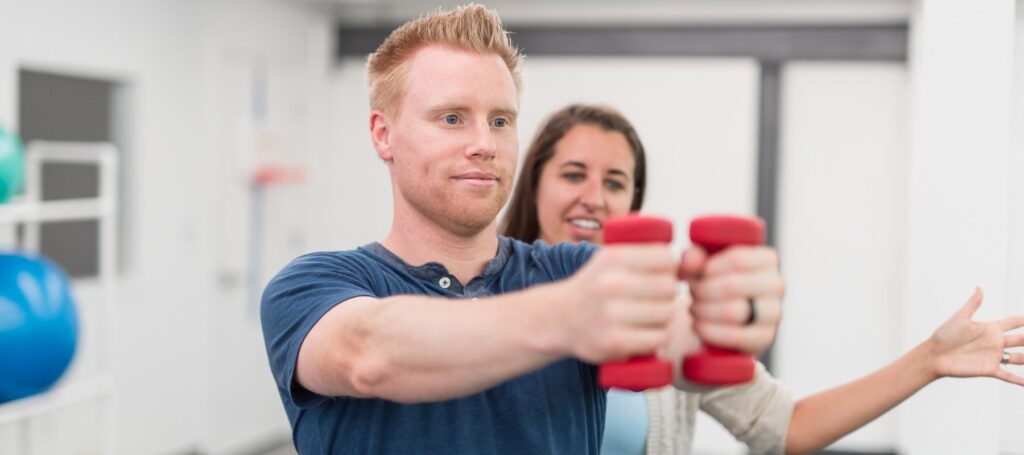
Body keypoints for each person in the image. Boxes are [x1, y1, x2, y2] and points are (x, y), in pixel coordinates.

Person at [260, 5, 786, 454]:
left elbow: (677, 343)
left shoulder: (575, 269)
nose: (484, 143)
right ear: (383, 134)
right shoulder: (311, 285)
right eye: (451, 118)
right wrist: (570, 314)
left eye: (501, 120)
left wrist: (727, 315)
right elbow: (370, 355)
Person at [501, 103, 1024, 455]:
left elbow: (787, 425)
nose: (594, 196)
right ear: (535, 185)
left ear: (634, 206)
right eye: (574, 174)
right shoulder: (479, 298)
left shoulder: (672, 325)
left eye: (615, 182)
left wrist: (928, 359)